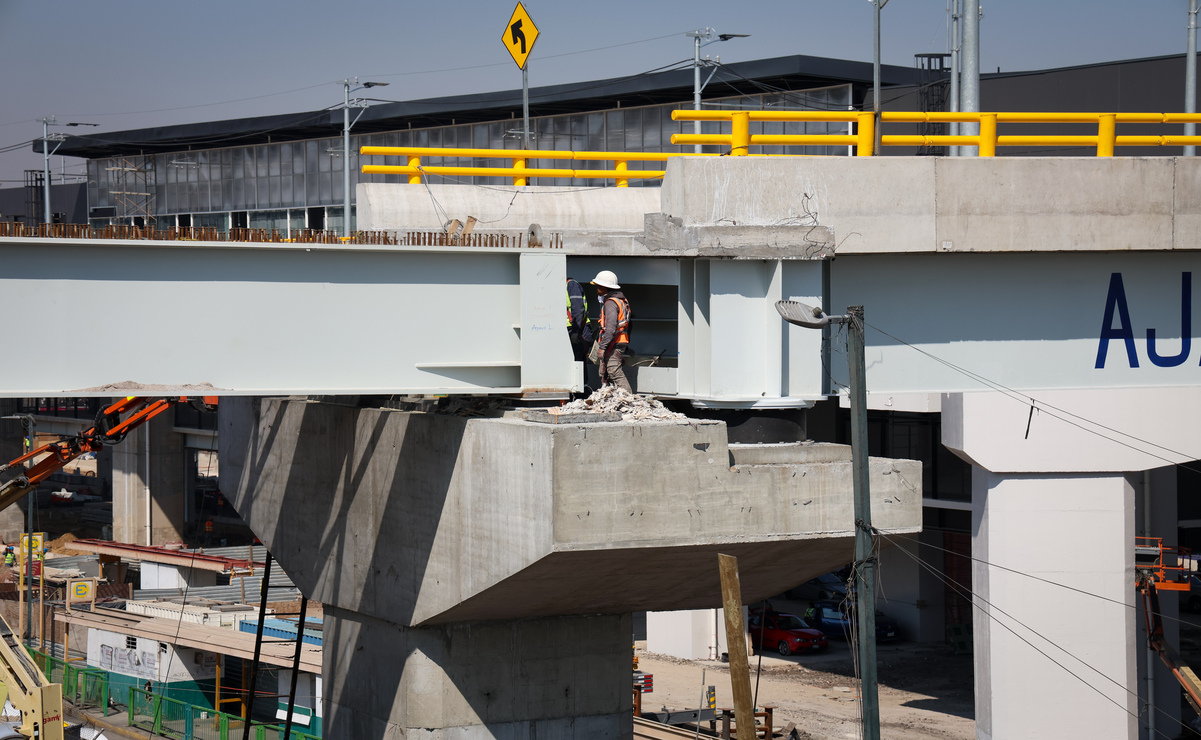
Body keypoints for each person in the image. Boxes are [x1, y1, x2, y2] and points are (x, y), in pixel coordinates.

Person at [591, 270, 633, 393]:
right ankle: (610, 398)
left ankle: (628, 398)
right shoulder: (621, 300)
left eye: (598, 286)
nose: (597, 289)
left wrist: (602, 347)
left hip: (614, 342)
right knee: (604, 371)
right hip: (619, 341)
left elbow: (610, 328)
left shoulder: (611, 303)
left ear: (605, 287)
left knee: (613, 370)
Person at [566, 277, 593, 362]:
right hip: (573, 329)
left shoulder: (571, 285)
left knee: (578, 362)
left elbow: (578, 310)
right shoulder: (568, 286)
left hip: (577, 329)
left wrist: (575, 332)